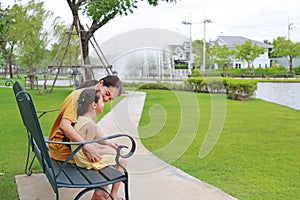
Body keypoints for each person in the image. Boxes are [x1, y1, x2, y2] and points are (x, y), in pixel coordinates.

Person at [48, 75, 123, 200]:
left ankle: (102, 193)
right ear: (100, 83)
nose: (106, 99)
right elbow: (64, 125)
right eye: (107, 93)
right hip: (63, 149)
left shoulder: (88, 97)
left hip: (68, 144)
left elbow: (90, 130)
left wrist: (107, 143)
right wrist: (87, 146)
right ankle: (102, 194)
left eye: (111, 98)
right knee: (117, 157)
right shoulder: (79, 96)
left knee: (112, 151)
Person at [72, 88, 126, 200]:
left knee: (115, 154)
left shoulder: (80, 120)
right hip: (85, 161)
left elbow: (91, 144)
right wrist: (111, 151)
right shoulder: (91, 125)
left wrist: (109, 148)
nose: (105, 103)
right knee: (122, 160)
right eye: (102, 101)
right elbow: (91, 150)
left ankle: (100, 194)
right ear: (94, 105)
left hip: (78, 157)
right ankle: (113, 195)